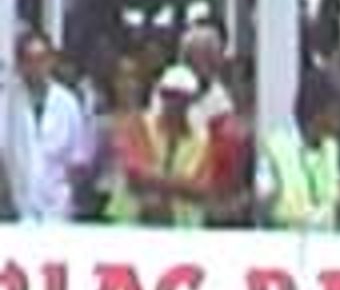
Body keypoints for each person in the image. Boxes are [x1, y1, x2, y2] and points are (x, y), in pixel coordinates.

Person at [106, 64, 213, 227]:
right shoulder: (138, 125)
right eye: (168, 94)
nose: (173, 102)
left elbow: (201, 188)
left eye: (179, 97)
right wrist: (180, 185)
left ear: (191, 100)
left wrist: (155, 181)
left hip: (182, 232)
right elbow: (135, 173)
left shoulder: (201, 140)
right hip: (131, 227)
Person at [7, 30, 89, 223]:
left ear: (51, 61)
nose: (36, 66)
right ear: (20, 64)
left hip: (57, 207)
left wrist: (65, 195)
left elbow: (77, 159)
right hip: (16, 207)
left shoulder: (68, 103)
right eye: (29, 59)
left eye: (41, 59)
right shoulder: (6, 103)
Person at [256, 71, 340, 231]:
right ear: (318, 112)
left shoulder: (332, 149)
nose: (339, 117)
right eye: (335, 110)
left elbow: (335, 201)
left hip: (326, 246)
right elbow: (263, 206)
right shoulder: (276, 146)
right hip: (285, 246)